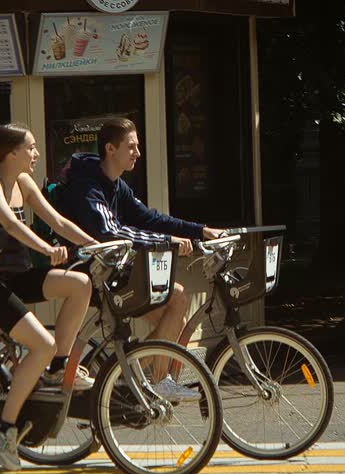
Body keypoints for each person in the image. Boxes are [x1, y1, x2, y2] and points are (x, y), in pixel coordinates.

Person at [0, 123, 98, 471]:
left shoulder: (23, 182)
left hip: (13, 277)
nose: (36, 154)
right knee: (40, 343)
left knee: (80, 284)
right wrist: (46, 249)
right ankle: (2, 428)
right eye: (31, 148)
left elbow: (57, 220)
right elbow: (10, 225)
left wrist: (98, 246)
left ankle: (56, 368)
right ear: (11, 153)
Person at [58, 117, 224, 400]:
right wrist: (167, 242)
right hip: (92, 272)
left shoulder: (116, 185)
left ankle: (132, 380)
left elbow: (150, 219)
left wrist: (201, 230)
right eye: (131, 146)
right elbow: (110, 233)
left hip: (111, 269)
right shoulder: (87, 185)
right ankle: (134, 378)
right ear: (111, 149)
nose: (137, 153)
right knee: (177, 298)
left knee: (174, 313)